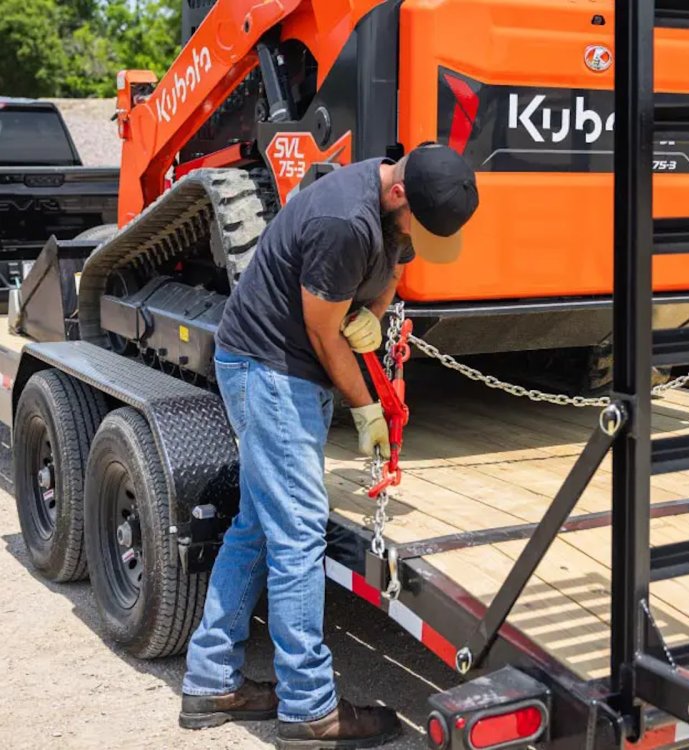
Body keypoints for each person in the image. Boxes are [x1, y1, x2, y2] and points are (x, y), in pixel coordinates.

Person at [177, 144, 479, 748]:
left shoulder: (400, 207)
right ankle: (309, 707)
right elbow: (321, 331)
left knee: (259, 527)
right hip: (268, 369)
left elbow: (392, 270)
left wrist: (374, 313)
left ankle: (211, 681)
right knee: (298, 535)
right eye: (416, 226)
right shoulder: (343, 220)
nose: (412, 240)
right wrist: (366, 406)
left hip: (291, 368)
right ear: (399, 193)